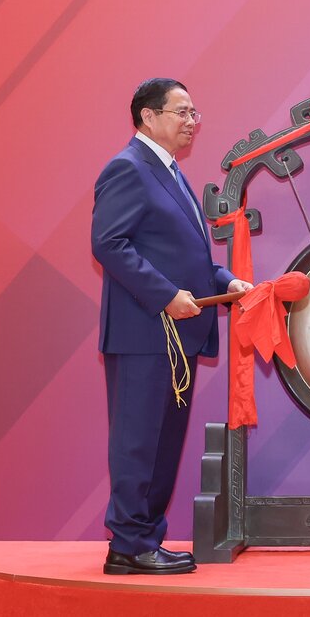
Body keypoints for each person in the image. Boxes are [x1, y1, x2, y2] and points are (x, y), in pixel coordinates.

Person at [92, 78, 252, 575]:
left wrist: (227, 282)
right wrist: (165, 295)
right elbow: (109, 244)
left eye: (193, 113)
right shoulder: (128, 168)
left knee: (162, 444)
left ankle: (143, 542)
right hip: (144, 334)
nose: (191, 122)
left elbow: (186, 256)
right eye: (181, 112)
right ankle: (127, 544)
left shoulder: (170, 172)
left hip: (176, 338)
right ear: (148, 117)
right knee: (138, 441)